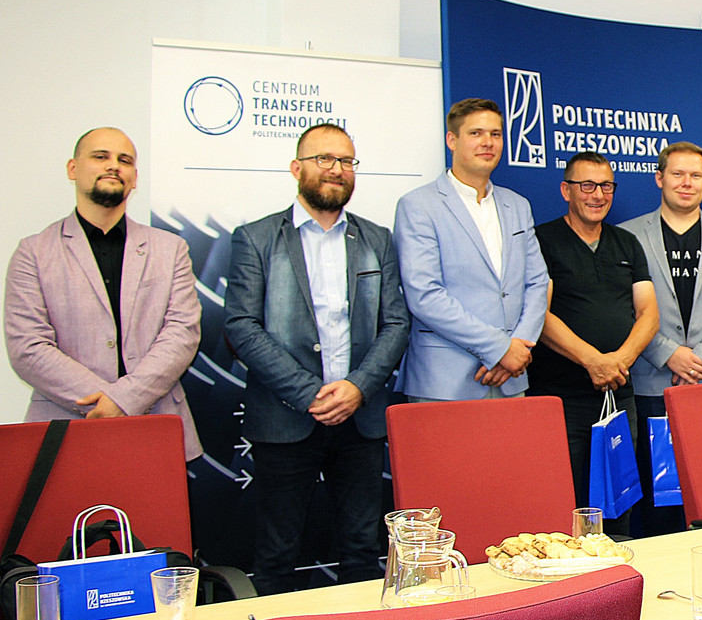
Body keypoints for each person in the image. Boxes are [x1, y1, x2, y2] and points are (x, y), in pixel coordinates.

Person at [224, 124, 410, 593]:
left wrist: (357, 388)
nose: (336, 170)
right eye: (324, 159)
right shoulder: (256, 238)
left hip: (359, 419)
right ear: (297, 168)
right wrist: (309, 393)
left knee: (363, 550)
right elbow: (241, 326)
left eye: (346, 161)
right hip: (285, 419)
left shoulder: (377, 239)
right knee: (277, 554)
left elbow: (395, 323)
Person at [5, 127, 203, 460]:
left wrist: (126, 399)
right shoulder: (33, 252)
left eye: (124, 160)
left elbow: (182, 334)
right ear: (73, 168)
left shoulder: (171, 249)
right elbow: (28, 347)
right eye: (100, 156)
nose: (114, 166)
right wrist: (108, 403)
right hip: (64, 432)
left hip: (156, 427)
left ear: (134, 178)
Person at [620, 142, 702, 531]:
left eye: (695, 175)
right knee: (658, 501)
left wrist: (701, 359)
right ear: (659, 178)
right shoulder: (628, 235)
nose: (686, 183)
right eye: (677, 174)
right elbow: (624, 308)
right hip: (653, 381)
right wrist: (668, 354)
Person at [392, 98, 549, 400]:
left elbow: (537, 282)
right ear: (452, 140)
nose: (487, 142)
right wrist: (499, 348)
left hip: (511, 378)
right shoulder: (418, 206)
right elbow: (425, 295)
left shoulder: (517, 205)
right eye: (476, 133)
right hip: (444, 383)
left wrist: (519, 346)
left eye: (495, 134)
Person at [528, 151, 659, 512]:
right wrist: (592, 361)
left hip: (618, 397)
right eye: (587, 185)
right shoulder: (542, 241)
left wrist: (618, 362)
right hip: (561, 400)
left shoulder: (626, 242)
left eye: (606, 186)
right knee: (565, 505)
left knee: (619, 505)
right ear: (566, 190)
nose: (598, 195)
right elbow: (540, 314)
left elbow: (648, 313)